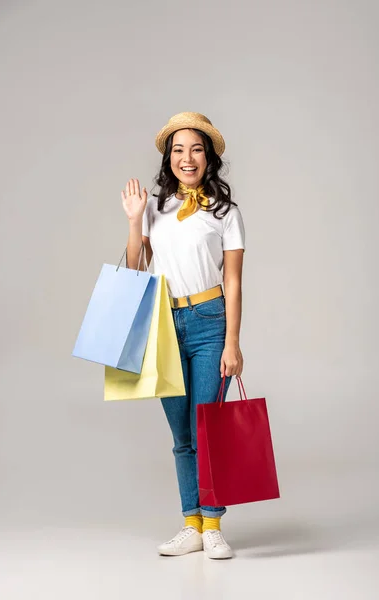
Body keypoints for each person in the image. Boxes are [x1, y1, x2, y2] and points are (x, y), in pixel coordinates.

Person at [122, 112, 245, 559]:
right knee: (182, 436)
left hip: (211, 322)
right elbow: (136, 270)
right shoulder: (156, 208)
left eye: (196, 149)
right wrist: (135, 221)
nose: (186, 158)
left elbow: (232, 282)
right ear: (168, 158)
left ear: (208, 157)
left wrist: (232, 341)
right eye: (178, 150)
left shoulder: (226, 212)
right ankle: (191, 523)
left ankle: (213, 524)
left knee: (207, 428)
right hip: (164, 324)